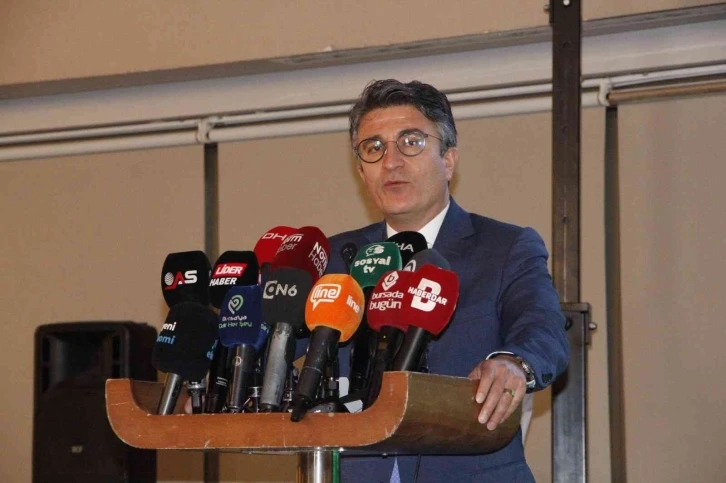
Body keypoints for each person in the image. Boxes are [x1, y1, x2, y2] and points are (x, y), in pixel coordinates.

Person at [325, 79, 570, 482]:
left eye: (411, 142)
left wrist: (512, 363)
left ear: (449, 160)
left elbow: (543, 329)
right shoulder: (337, 257)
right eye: (374, 147)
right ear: (361, 171)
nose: (391, 162)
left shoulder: (505, 247)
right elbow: (271, 337)